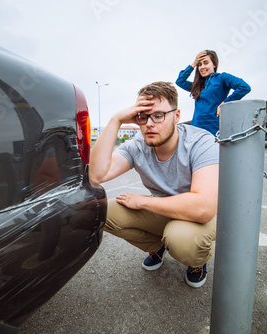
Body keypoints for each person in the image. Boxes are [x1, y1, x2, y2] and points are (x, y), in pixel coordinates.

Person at [89, 81, 219, 288]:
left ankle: (197, 262)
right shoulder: (137, 145)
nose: (149, 123)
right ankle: (157, 246)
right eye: (143, 116)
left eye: (158, 115)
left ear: (176, 116)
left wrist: (142, 202)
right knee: (97, 212)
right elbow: (96, 175)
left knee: (181, 239)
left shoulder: (200, 142)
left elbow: (203, 207)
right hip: (163, 209)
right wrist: (116, 120)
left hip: (195, 217)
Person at [176, 50, 251, 135]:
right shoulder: (197, 86)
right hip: (195, 130)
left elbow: (244, 87)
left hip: (214, 129)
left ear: (214, 64)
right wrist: (193, 64)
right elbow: (180, 81)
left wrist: (225, 103)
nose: (202, 67)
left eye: (206, 63)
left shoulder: (222, 78)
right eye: (199, 64)